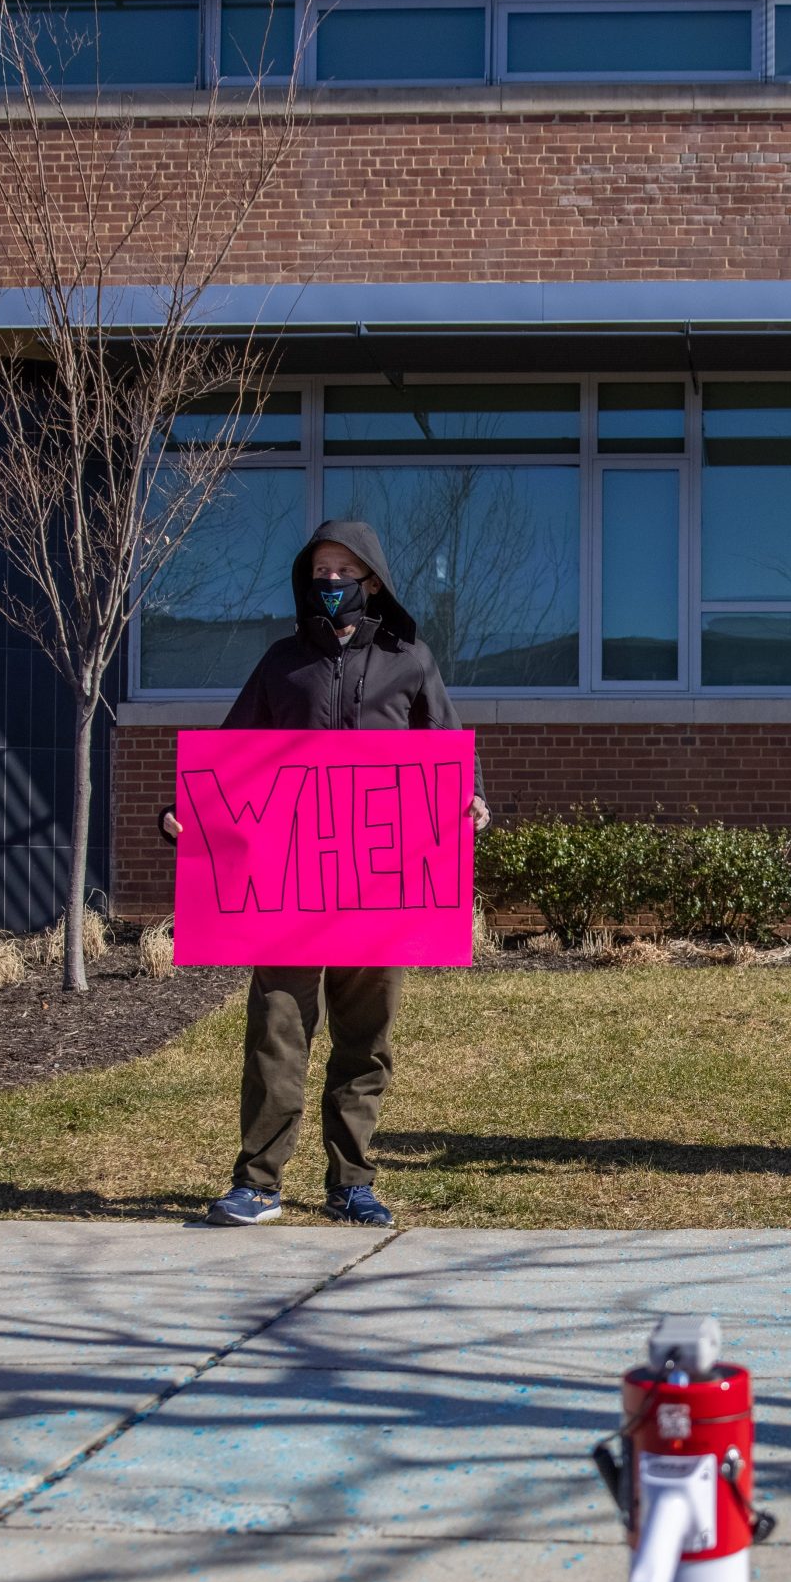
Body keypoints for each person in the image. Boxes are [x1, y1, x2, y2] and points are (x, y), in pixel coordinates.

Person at [160, 520, 488, 1227]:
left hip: (382, 887)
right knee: (278, 1027)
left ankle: (351, 1183)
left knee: (366, 1036)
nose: (330, 582)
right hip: (288, 890)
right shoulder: (282, 665)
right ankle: (258, 1182)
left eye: (344, 569)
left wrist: (474, 800)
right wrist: (183, 813)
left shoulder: (411, 660)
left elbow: (447, 751)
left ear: (373, 579)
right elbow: (231, 755)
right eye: (320, 570)